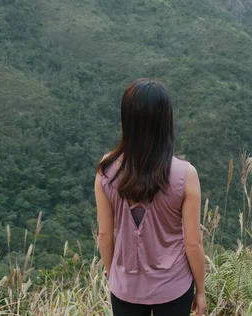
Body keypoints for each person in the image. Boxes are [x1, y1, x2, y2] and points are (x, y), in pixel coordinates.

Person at [94, 78, 207, 316]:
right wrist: (200, 289)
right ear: (165, 121)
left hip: (125, 288)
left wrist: (111, 272)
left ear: (127, 120)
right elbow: (193, 244)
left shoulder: (106, 171)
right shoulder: (186, 175)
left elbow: (105, 235)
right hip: (174, 286)